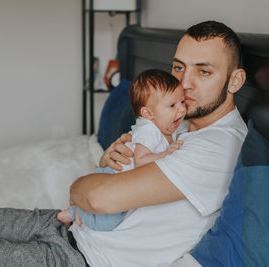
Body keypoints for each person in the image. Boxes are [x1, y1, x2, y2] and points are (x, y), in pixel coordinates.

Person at [0, 20, 247, 267]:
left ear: (234, 81)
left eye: (204, 71)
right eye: (179, 68)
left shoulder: (218, 147)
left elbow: (98, 199)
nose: (185, 83)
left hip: (82, 258)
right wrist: (108, 161)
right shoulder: (176, 124)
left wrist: (80, 187)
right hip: (68, 226)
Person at [57, 69, 186, 230]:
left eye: (182, 102)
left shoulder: (167, 126)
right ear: (148, 113)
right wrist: (166, 154)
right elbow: (141, 161)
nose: (181, 109)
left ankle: (75, 211)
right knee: (107, 222)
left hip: (120, 179)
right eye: (172, 105)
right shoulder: (148, 130)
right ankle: (74, 212)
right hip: (113, 175)